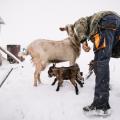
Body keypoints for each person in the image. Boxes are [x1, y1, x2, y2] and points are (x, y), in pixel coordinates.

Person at [67, 11, 120, 115]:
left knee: (101, 62)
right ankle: (104, 89)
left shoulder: (83, 20)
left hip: (105, 22)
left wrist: (83, 41)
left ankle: (100, 106)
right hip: (117, 23)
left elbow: (79, 25)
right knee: (101, 61)